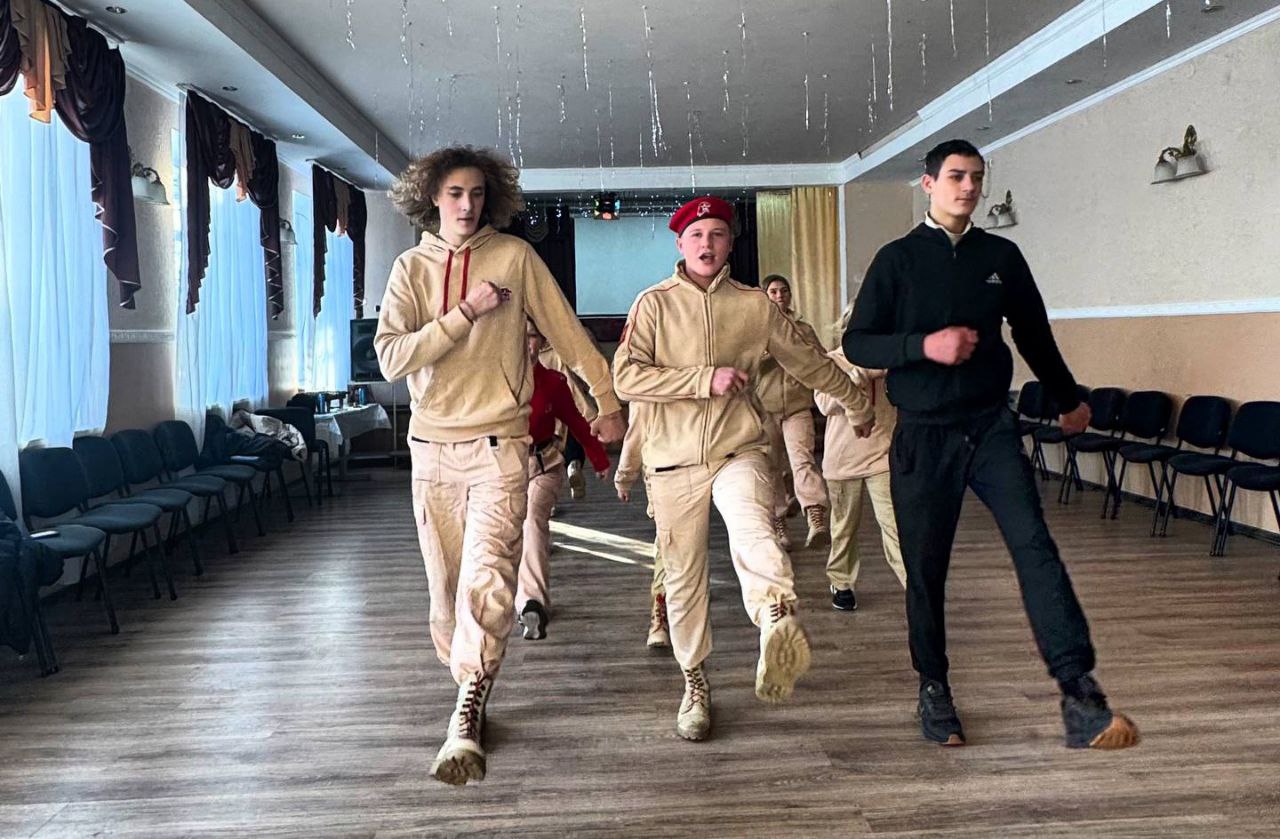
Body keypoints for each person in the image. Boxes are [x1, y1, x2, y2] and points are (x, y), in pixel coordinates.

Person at [843, 139, 1138, 750]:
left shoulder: (1001, 255)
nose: (969, 187)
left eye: (977, 177)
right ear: (929, 184)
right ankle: (934, 688)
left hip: (990, 428)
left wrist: (1068, 399)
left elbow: (1033, 333)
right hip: (923, 434)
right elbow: (858, 342)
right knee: (925, 570)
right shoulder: (897, 259)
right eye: (956, 176)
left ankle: (1080, 693)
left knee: (1035, 546)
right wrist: (923, 347)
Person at [375, 145, 626, 786]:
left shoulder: (514, 256)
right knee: (445, 599)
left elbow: (567, 332)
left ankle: (466, 708)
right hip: (432, 452)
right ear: (433, 197)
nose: (468, 205)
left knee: (488, 581)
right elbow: (393, 358)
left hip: (500, 448)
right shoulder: (409, 268)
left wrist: (606, 399)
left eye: (478, 194)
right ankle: (470, 681)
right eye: (455, 193)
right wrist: (466, 313)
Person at [613, 196, 873, 742]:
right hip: (673, 460)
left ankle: (777, 619)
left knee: (756, 531)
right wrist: (701, 379)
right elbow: (627, 378)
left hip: (740, 448)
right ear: (680, 244)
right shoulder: (653, 304)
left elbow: (810, 362)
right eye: (696, 235)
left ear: (731, 243)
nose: (706, 244)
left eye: (717, 234)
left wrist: (855, 401)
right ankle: (694, 681)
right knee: (683, 577)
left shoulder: (756, 306)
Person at [518, 319, 611, 641]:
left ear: (541, 341)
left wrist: (599, 459)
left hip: (544, 464)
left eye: (532, 337)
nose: (526, 344)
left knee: (532, 520)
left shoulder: (553, 381)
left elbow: (577, 419)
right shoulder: (493, 382)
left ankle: (532, 603)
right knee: (506, 533)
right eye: (520, 337)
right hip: (501, 469)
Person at [815, 302, 905, 612]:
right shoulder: (831, 361)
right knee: (844, 528)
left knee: (895, 525)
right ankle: (841, 583)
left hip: (883, 456)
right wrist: (861, 374)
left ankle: (915, 588)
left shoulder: (891, 359)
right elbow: (824, 404)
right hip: (842, 462)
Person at [757, 274, 831, 550]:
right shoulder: (754, 328)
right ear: (765, 296)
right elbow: (745, 363)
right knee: (771, 466)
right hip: (765, 408)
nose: (780, 296)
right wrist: (773, 352)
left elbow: (820, 359)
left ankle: (815, 513)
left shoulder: (803, 327)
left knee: (803, 459)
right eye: (774, 291)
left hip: (798, 405)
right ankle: (778, 521)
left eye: (784, 291)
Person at [613, 403, 670, 649]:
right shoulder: (646, 384)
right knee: (667, 543)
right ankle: (660, 609)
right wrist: (624, 476)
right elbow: (637, 430)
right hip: (661, 471)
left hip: (703, 466)